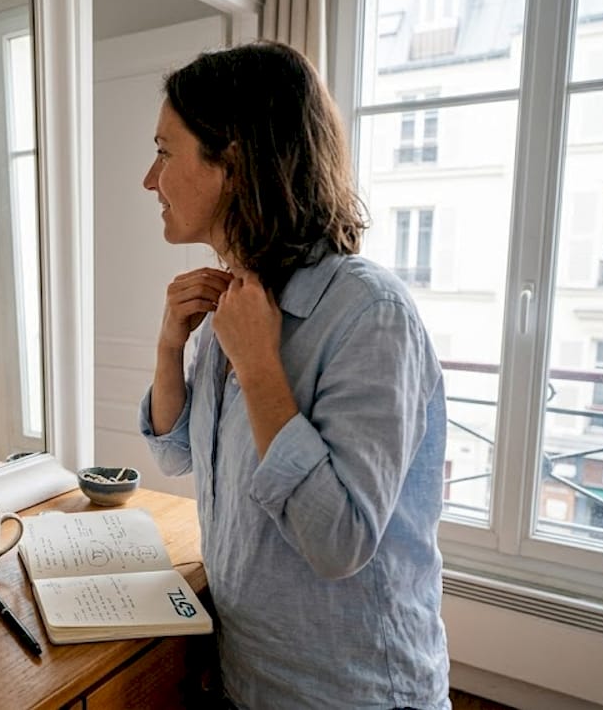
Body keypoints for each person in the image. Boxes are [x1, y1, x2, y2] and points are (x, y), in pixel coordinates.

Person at [138, 43, 449, 709]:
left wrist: (259, 369)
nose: (148, 179)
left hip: (354, 693)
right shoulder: (237, 298)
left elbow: (338, 541)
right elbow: (173, 452)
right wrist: (171, 346)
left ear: (235, 159)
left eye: (165, 152)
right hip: (249, 676)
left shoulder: (370, 313)